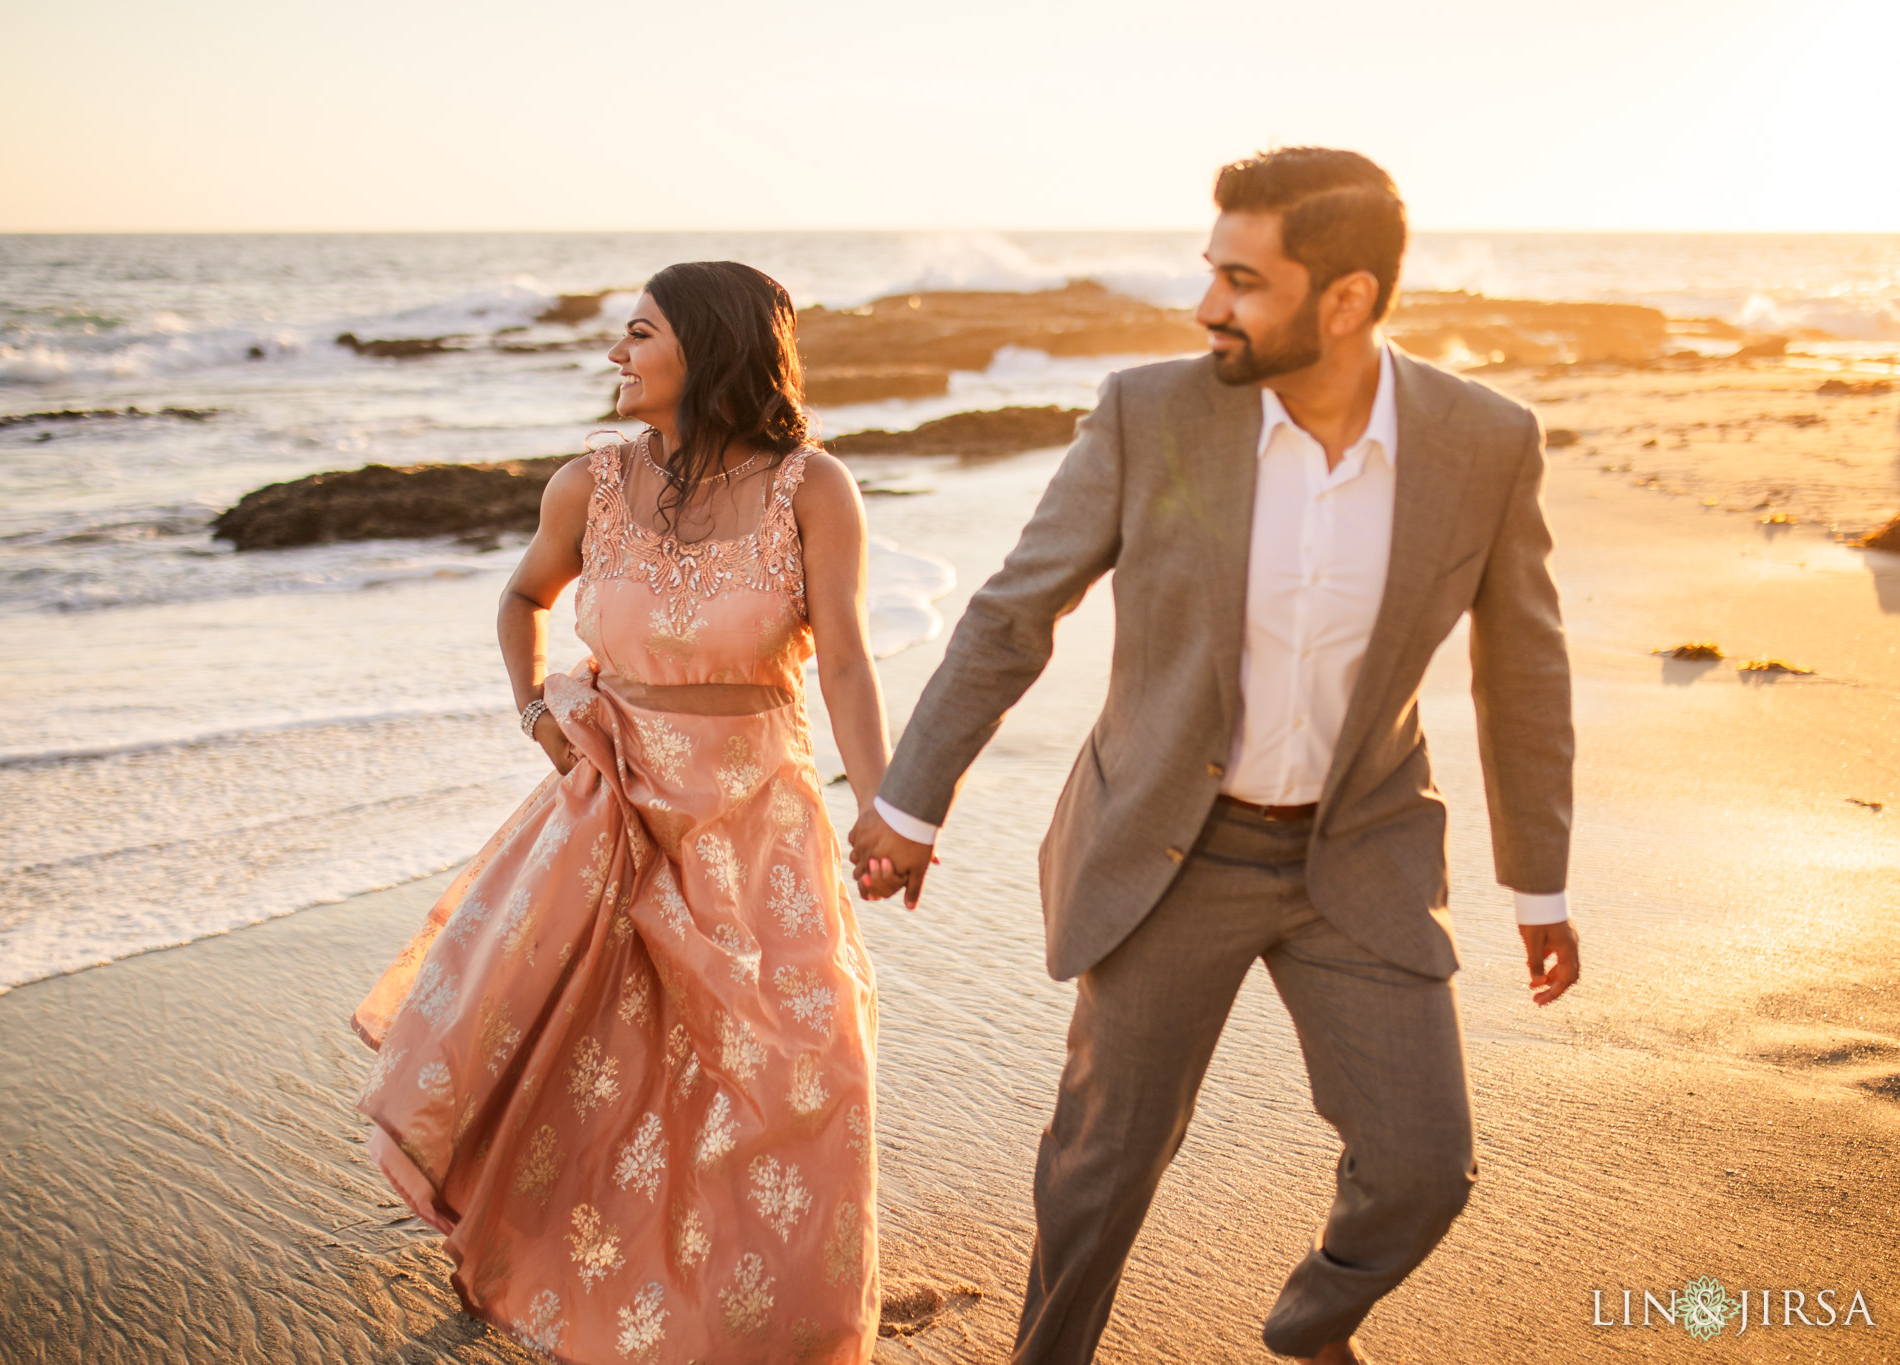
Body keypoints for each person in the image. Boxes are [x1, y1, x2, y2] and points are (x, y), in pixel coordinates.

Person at [850, 147, 1582, 1364]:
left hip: (1360, 856)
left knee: (1421, 1169)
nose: (1206, 308)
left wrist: (1538, 885)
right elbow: (1011, 611)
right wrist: (910, 804)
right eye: (1208, 272)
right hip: (1165, 852)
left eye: (1241, 280)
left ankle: (1307, 1329)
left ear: (1343, 300)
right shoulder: (1152, 415)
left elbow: (1525, 669)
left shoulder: (1482, 444)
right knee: (1101, 1168)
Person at [352, 261, 885, 1363]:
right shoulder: (585, 483)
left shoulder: (812, 488)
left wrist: (886, 809)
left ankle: (784, 1326)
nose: (615, 354)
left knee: (798, 1071)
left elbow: (843, 661)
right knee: (593, 1065)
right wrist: (534, 713)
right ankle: (554, 1272)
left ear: (708, 347)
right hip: (610, 813)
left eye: (639, 334)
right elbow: (521, 598)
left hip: (754, 831)